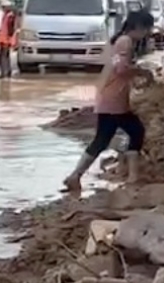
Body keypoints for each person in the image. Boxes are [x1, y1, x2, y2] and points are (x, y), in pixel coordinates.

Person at [62, 10, 156, 193]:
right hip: (113, 100)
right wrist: (143, 72)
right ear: (138, 27)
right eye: (147, 29)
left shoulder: (120, 40)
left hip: (111, 98)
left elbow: (118, 68)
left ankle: (77, 176)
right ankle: (131, 177)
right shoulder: (126, 42)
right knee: (128, 133)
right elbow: (121, 69)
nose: (148, 33)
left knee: (115, 136)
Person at [0, 4, 19, 79]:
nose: (2, 8)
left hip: (6, 38)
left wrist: (9, 38)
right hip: (5, 38)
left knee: (3, 56)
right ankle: (7, 72)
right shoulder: (9, 16)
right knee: (5, 55)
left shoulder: (9, 16)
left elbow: (10, 29)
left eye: (4, 7)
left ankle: (4, 73)